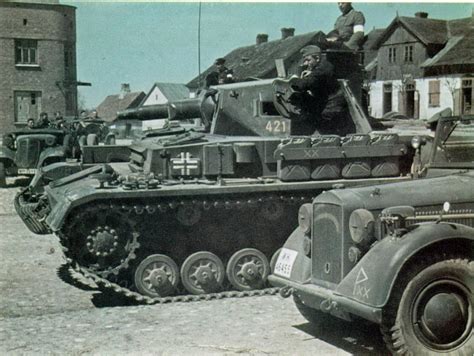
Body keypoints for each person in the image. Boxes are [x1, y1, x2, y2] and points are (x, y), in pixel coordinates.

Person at [289, 45, 354, 136]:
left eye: (308, 60)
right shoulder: (321, 67)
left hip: (331, 110)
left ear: (317, 58)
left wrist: (294, 79)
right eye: (305, 60)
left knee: (304, 126)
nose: (306, 63)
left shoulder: (324, 69)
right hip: (328, 107)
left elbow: (303, 85)